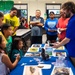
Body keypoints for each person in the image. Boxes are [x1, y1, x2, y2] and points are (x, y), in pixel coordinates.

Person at [53, 1, 75, 67]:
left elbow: (68, 38)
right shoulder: (71, 19)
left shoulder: (73, 21)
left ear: (69, 9)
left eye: (64, 10)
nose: (63, 12)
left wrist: (58, 45)